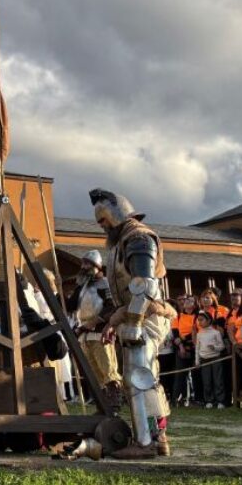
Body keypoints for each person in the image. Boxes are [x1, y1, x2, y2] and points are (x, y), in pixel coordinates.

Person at [90, 189, 175, 457]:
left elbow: (144, 286)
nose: (103, 227)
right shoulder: (124, 240)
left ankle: (146, 443)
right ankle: (157, 438)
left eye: (104, 220)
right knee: (142, 378)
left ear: (116, 214)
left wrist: (134, 322)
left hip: (146, 316)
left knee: (139, 377)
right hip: (135, 315)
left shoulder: (138, 238)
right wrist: (115, 321)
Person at [67, 250, 121, 405]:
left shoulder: (105, 284)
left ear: (96, 266)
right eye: (83, 263)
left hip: (101, 332)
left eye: (87, 264)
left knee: (108, 370)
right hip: (84, 334)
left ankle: (114, 403)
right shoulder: (82, 287)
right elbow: (70, 306)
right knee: (94, 374)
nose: (83, 267)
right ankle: (102, 404)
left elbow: (112, 307)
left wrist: (95, 322)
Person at [193, 312, 226, 408]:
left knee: (218, 380)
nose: (200, 322)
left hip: (215, 358)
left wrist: (215, 347)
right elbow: (197, 349)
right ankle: (209, 400)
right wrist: (197, 361)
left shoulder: (216, 332)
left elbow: (222, 346)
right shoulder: (199, 334)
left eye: (202, 320)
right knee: (206, 381)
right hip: (204, 359)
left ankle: (220, 401)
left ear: (209, 320)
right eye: (198, 320)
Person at [170, 295, 197, 407]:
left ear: (195, 304)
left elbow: (196, 331)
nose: (187, 302)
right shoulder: (178, 316)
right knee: (180, 375)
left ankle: (196, 399)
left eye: (190, 300)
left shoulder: (197, 316)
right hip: (181, 348)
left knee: (196, 375)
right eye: (186, 300)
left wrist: (184, 339)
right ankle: (175, 400)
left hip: (194, 348)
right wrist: (181, 345)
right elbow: (175, 332)